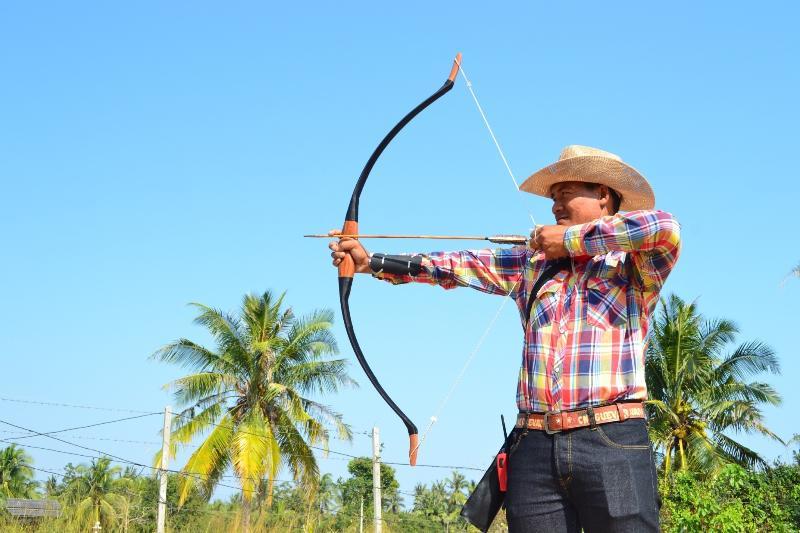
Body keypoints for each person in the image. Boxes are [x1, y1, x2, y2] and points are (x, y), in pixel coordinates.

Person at [329, 145, 681, 532]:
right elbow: (458, 265)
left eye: (565, 194)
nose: (555, 206)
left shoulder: (633, 267)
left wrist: (569, 241)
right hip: (534, 445)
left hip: (612, 439)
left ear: (602, 194)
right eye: (553, 198)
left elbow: (665, 228)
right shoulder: (532, 265)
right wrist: (371, 263)